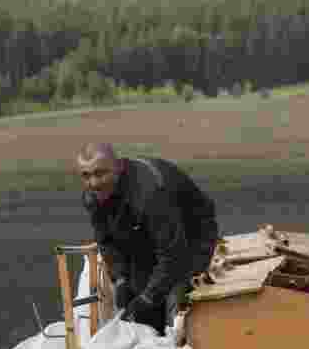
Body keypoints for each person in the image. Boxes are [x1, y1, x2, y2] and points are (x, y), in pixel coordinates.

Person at [77, 143, 219, 336]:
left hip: (191, 233)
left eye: (100, 173)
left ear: (118, 167)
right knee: (137, 297)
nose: (93, 183)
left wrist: (147, 298)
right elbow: (106, 241)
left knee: (178, 303)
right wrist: (121, 278)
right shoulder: (94, 196)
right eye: (86, 175)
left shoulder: (150, 193)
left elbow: (172, 255)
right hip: (144, 231)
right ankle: (150, 341)